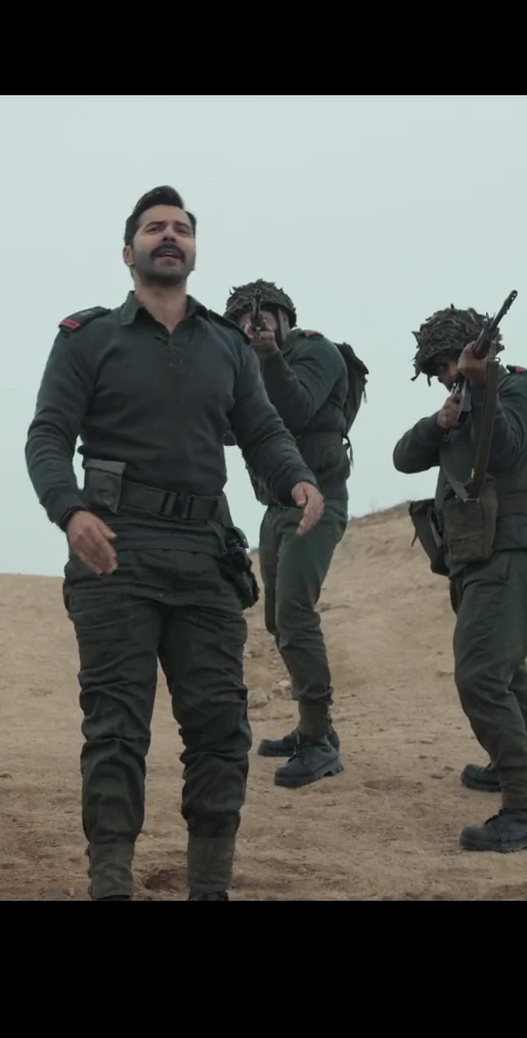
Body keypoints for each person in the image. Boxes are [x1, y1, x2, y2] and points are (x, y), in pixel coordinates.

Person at [25, 186, 323, 900]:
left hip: (205, 558)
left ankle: (209, 886)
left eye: (182, 229)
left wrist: (297, 480)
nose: (169, 236)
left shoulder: (226, 345)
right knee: (116, 732)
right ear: (127, 250)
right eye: (155, 227)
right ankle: (111, 884)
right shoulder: (87, 338)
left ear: (193, 250)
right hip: (115, 554)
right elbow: (47, 437)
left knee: (221, 730)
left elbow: (263, 430)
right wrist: (70, 513)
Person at [392, 304, 527, 853]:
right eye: (439, 369)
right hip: (472, 556)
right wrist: (439, 422)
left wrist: (482, 388)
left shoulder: (520, 390)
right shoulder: (460, 405)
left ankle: (525, 807)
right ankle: (518, 767)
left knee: (481, 676)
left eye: (451, 363)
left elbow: (503, 447)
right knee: (507, 671)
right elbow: (403, 458)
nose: (446, 375)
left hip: (507, 551)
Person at [224, 280, 365, 789]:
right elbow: (234, 427)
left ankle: (318, 740)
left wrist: (267, 357)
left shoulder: (316, 351)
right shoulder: (249, 365)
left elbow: (299, 407)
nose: (253, 325)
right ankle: (313, 726)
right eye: (243, 321)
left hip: (318, 501)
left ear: (284, 319)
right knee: (276, 620)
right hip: (276, 507)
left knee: (295, 614)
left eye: (261, 317)